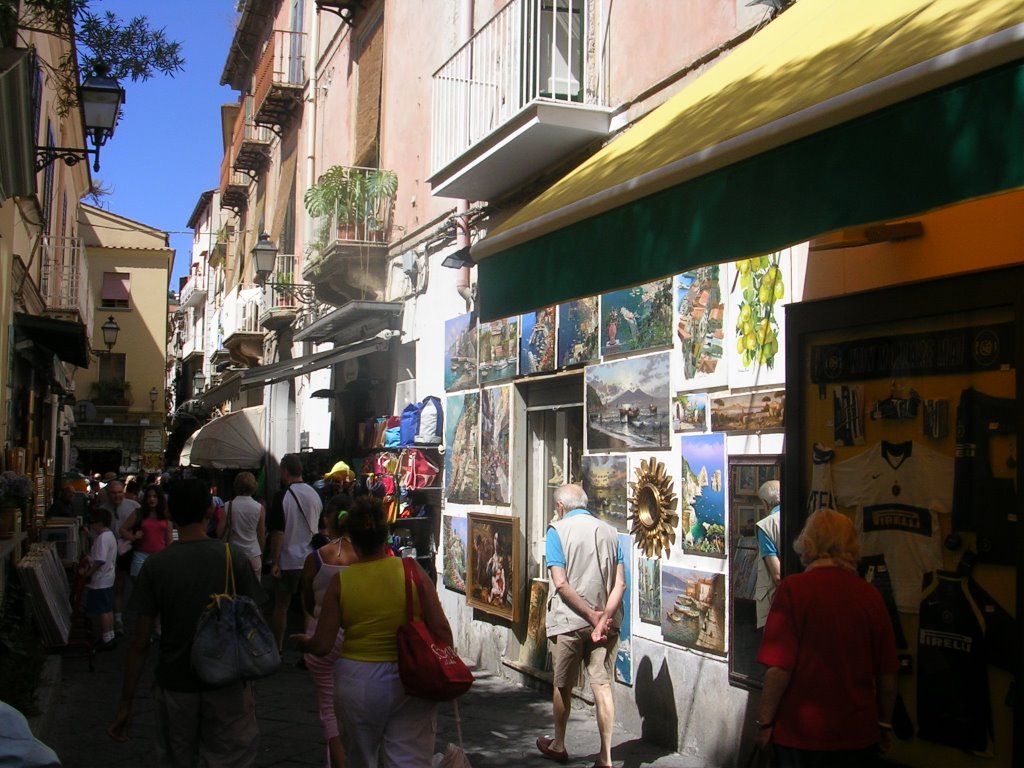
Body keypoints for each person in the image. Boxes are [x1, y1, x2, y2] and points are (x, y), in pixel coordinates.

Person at [107, 478, 263, 766]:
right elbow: (255, 622)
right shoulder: (233, 558)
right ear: (209, 511)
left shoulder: (157, 566)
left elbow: (139, 644)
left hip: (176, 681)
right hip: (227, 682)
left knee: (178, 758)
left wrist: (126, 702)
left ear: (169, 513)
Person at [294, 495, 453, 767]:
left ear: (353, 540)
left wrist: (303, 643)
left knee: (361, 759)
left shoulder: (341, 583)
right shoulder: (411, 570)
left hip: (359, 681)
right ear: (386, 536)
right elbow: (441, 629)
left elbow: (323, 643)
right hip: (411, 676)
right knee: (410, 759)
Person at [755, 509, 899, 768]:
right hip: (858, 735)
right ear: (851, 546)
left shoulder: (793, 591)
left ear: (808, 545)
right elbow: (888, 674)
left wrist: (765, 723)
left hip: (801, 737)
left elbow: (779, 670)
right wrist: (884, 724)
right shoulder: (870, 596)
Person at [537, 483, 626, 768]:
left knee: (562, 685)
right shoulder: (611, 532)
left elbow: (560, 583)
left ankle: (559, 744)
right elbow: (620, 583)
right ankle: (606, 757)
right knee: (601, 684)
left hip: (569, 621)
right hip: (606, 623)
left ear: (560, 507)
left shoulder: (557, 531)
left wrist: (590, 616)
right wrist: (602, 618)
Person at [299, 493, 358, 768]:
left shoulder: (316, 558)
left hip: (321, 635)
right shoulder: (365, 557)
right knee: (354, 705)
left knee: (328, 711)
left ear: (329, 522)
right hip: (355, 636)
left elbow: (307, 600)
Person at [269, 453, 323, 653]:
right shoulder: (315, 494)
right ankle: (309, 645)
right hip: (311, 559)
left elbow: (278, 533)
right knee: (308, 606)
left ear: (284, 471)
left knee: (281, 605)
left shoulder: (282, 496)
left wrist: (274, 562)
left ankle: (278, 648)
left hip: (288, 560)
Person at [99, 480, 140, 635]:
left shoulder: (134, 507)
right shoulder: (103, 510)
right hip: (113, 554)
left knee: (138, 585)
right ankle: (118, 619)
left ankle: (140, 620)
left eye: (119, 492)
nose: (117, 496)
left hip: (132, 551)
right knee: (118, 586)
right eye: (113, 493)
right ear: (108, 494)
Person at [216, 471, 267, 579]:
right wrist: (261, 552)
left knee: (233, 589)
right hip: (253, 553)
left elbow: (219, 532)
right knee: (253, 591)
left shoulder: (228, 506)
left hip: (233, 554)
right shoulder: (259, 508)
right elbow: (261, 534)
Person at [81, 507, 117, 650]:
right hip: (108, 576)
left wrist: (89, 573)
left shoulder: (102, 538)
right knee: (107, 608)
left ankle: (106, 638)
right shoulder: (109, 535)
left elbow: (100, 560)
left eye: (93, 522)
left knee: (102, 609)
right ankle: (110, 635)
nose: (92, 525)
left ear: (100, 523)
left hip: (101, 578)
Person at [120, 484, 173, 580]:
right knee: (138, 586)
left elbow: (169, 541)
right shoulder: (139, 513)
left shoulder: (165, 515)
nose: (152, 499)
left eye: (155, 496)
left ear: (159, 498)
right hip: (140, 555)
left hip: (159, 556)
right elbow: (122, 529)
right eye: (149, 496)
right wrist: (133, 537)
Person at [754, 480, 782, 630]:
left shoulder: (766, 525)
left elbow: (777, 575)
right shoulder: (800, 516)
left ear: (765, 503)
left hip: (775, 601)